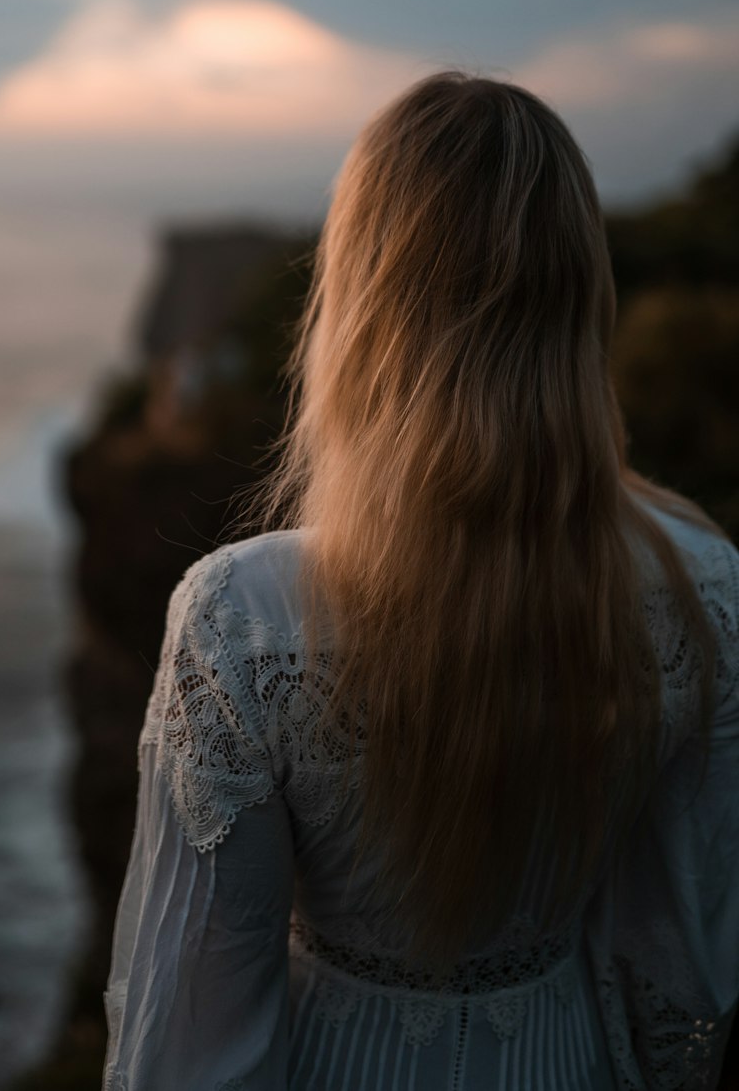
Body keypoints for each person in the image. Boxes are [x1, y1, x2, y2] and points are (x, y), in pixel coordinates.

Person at [102, 72, 739, 1090]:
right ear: (580, 295)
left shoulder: (242, 619)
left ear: (359, 297)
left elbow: (193, 1026)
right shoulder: (701, 590)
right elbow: (682, 949)